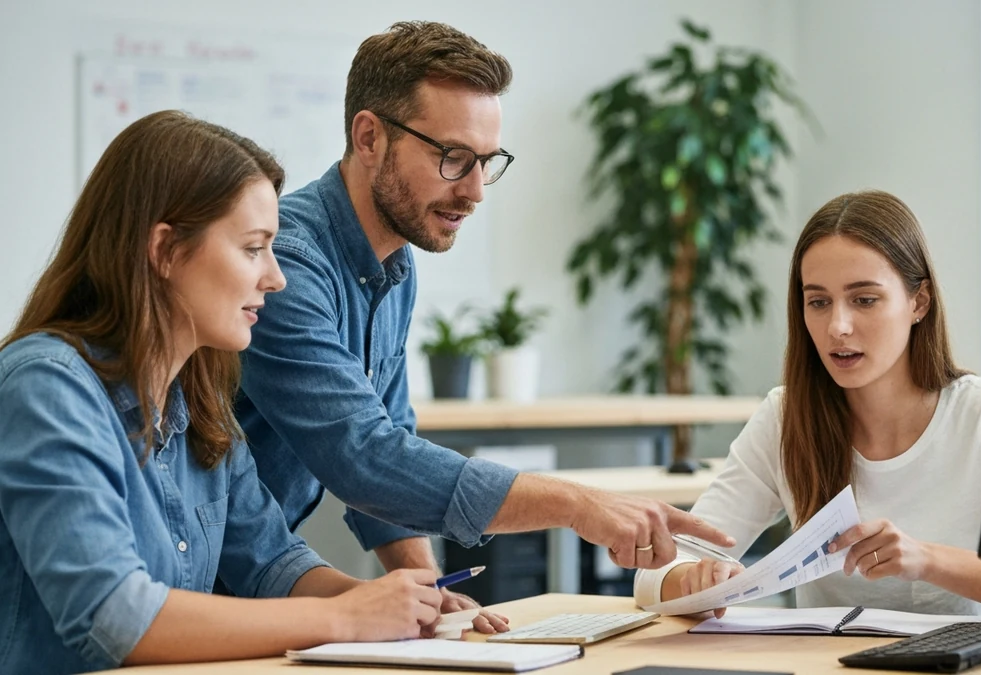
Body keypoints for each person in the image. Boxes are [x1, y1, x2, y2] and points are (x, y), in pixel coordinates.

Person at [234, 18, 732, 634]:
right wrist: (576, 506)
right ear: (369, 137)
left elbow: (389, 440)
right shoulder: (289, 264)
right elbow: (363, 457)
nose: (474, 191)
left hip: (258, 575)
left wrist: (431, 588)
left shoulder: (395, 260)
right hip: (208, 587)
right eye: (452, 158)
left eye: (486, 163)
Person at [0, 111, 447, 674]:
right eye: (254, 248)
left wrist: (404, 607)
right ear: (164, 251)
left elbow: (274, 566)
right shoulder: (48, 387)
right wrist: (348, 618)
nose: (276, 278)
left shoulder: (196, 400)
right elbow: (113, 616)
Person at [632, 190, 981, 620]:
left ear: (919, 302)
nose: (837, 327)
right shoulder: (786, 418)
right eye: (818, 302)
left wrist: (928, 561)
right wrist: (693, 580)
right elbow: (658, 572)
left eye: (864, 300)